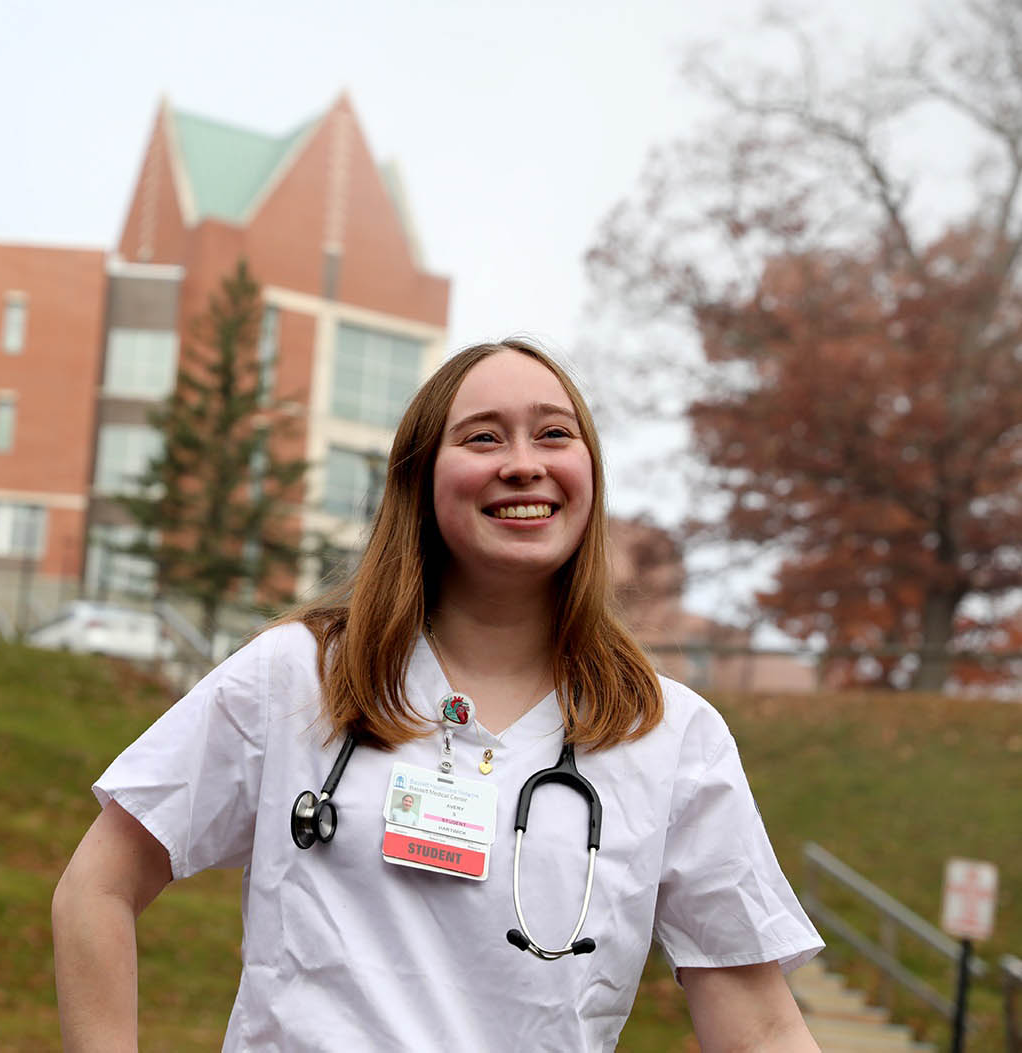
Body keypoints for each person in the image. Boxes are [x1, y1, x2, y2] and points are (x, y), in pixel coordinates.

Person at [52, 338, 822, 1050]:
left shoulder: (668, 733)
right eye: (483, 437)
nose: (523, 463)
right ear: (419, 479)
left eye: (554, 434)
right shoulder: (297, 676)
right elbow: (98, 887)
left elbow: (758, 1026)